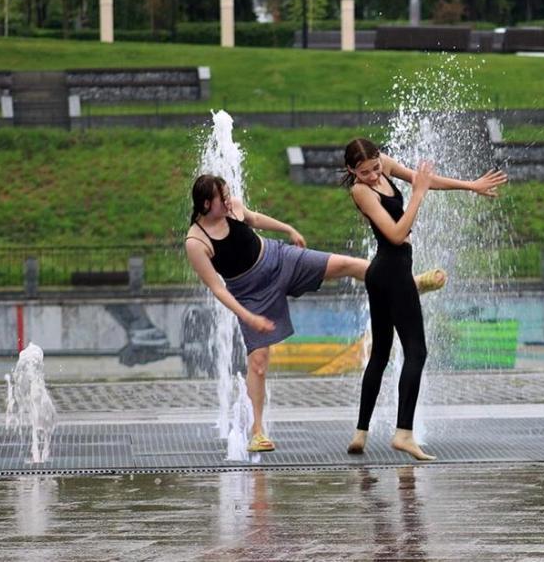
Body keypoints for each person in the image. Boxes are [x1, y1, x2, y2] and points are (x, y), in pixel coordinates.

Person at [184, 174, 444, 453]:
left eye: (227, 195)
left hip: (278, 259)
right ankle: (257, 431)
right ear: (205, 203)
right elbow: (218, 289)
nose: (228, 200)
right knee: (258, 361)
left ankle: (408, 283)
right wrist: (248, 316)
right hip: (250, 293)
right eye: (221, 198)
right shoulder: (196, 242)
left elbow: (255, 219)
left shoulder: (232, 206)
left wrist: (288, 229)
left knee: (347, 264)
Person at [342, 138, 507, 460]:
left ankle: (360, 433)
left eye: (376, 168)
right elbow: (396, 233)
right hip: (390, 273)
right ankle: (403, 433)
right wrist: (416, 196)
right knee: (416, 351)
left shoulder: (383, 166)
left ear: (379, 159)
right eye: (364, 172)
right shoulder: (360, 191)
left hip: (383, 274)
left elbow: (425, 181)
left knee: (381, 353)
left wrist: (469, 185)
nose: (373, 176)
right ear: (351, 170)